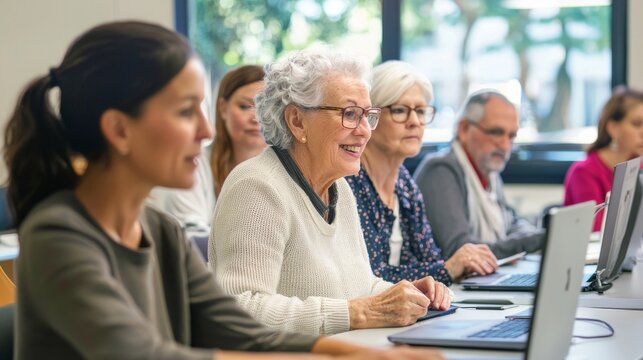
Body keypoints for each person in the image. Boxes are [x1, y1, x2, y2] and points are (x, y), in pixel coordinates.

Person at [3, 21, 443, 360]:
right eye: (184, 111)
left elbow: (241, 327)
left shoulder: (158, 228)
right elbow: (144, 354)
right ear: (119, 129)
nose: (207, 130)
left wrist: (367, 353)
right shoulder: (57, 235)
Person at [210, 49, 452, 336]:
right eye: (350, 114)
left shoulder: (340, 189)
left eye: (368, 115)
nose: (364, 131)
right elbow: (240, 308)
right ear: (297, 121)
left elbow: (361, 285)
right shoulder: (257, 187)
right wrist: (359, 313)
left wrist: (408, 294)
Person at [346, 61, 498, 284]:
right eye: (399, 111)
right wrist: (447, 269)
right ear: (371, 117)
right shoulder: (349, 182)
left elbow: (429, 259)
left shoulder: (405, 185)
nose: (415, 122)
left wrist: (457, 265)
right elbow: (368, 278)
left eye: (420, 111)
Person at [414, 90, 545, 259]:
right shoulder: (441, 170)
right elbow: (462, 251)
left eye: (511, 136)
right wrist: (535, 240)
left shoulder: (488, 171)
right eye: (496, 132)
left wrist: (537, 237)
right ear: (463, 129)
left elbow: (510, 222)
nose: (505, 146)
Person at [150, 65, 266, 227]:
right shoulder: (192, 163)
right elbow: (194, 237)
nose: (256, 118)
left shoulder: (284, 172)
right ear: (222, 108)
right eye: (245, 106)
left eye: (265, 108)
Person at [564, 87, 643, 231]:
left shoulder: (640, 166)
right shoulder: (583, 172)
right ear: (613, 128)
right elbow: (598, 230)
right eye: (637, 124)